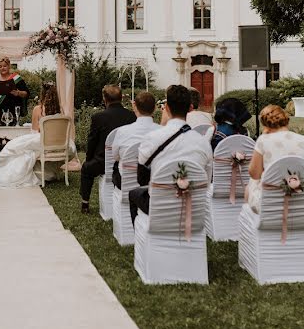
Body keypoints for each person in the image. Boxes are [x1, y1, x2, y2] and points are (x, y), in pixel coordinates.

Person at [129, 85, 212, 224]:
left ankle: (140, 238)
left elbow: (141, 177)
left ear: (166, 108)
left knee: (133, 194)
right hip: (194, 206)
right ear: (190, 108)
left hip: (159, 205)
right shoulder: (203, 143)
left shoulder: (152, 138)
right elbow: (207, 179)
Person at [0, 83, 73, 188]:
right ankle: (47, 173)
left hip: (43, 141)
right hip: (60, 143)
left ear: (42, 94)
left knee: (13, 148)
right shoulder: (61, 110)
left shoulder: (38, 109)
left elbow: (35, 131)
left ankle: (13, 172)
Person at [245, 105, 304, 212]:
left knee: (252, 182)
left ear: (265, 125)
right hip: (302, 207)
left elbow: (254, 174)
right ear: (286, 120)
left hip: (270, 208)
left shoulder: (263, 141)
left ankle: (252, 222)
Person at [80, 85, 136, 214]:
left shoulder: (98, 117)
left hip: (102, 163)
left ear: (105, 99)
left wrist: (88, 160)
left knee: (86, 169)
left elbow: (92, 142)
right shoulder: (132, 116)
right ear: (121, 97)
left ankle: (85, 203)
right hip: (127, 162)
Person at [0, 57, 30, 160]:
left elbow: (26, 93)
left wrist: (18, 93)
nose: (2, 68)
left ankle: (11, 163)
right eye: (0, 66)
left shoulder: (17, 79)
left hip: (12, 112)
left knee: (11, 140)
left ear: (9, 66)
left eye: (4, 66)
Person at [110, 91, 160, 190]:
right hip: (153, 184)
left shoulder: (122, 132)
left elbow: (115, 156)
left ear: (134, 107)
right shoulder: (163, 132)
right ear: (155, 108)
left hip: (125, 185)